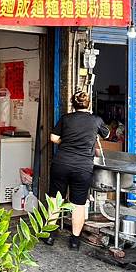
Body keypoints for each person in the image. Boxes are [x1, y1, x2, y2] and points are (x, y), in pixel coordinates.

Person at [46, 90, 109, 250]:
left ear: (73, 105)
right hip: (82, 167)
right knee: (78, 204)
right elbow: (106, 135)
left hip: (61, 164)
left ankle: (50, 236)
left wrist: (65, 141)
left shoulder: (66, 118)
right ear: (89, 104)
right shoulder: (96, 120)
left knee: (55, 200)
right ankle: (74, 241)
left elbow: (53, 138)